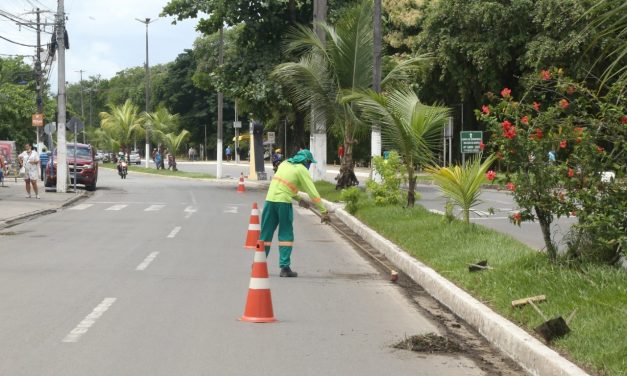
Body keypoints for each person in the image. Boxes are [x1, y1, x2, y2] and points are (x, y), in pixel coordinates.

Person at [260, 149, 330, 278]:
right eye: (310, 164)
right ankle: (285, 267)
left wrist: (299, 199)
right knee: (285, 234)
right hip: (283, 203)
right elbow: (313, 193)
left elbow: (285, 186)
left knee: (265, 233)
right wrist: (323, 211)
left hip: (269, 200)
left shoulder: (284, 163)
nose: (309, 166)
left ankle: (258, 264)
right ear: (306, 162)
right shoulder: (301, 169)